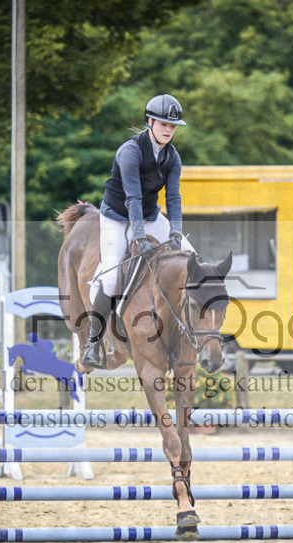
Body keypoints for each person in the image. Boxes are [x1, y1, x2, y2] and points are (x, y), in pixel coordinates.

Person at [82, 93, 197, 369]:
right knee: (110, 281)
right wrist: (138, 236)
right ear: (149, 122)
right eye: (163, 125)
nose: (169, 131)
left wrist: (177, 233)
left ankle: (196, 334)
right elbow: (132, 198)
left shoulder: (172, 157)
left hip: (150, 215)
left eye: (173, 126)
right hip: (116, 217)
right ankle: (93, 343)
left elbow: (173, 199)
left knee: (195, 260)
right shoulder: (130, 151)